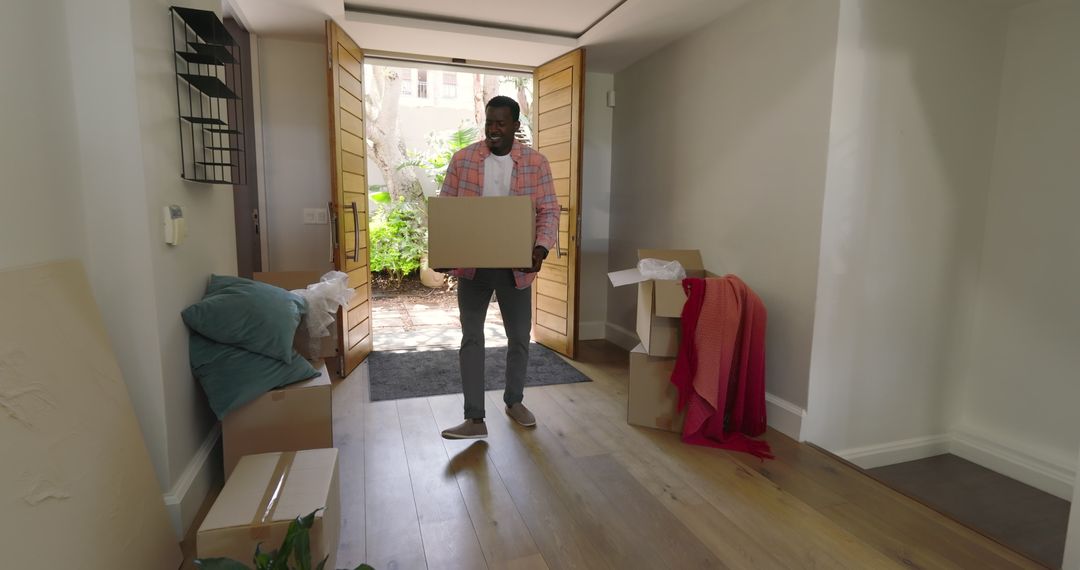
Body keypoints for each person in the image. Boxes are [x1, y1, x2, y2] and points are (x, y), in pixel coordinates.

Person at [438, 95, 559, 439]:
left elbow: (549, 210)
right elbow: (447, 208)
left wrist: (541, 246)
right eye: (489, 122)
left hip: (516, 268)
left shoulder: (536, 163)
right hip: (471, 268)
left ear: (515, 127)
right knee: (471, 339)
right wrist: (445, 249)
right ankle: (474, 418)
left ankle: (514, 401)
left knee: (519, 337)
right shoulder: (463, 160)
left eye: (501, 123)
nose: (493, 129)